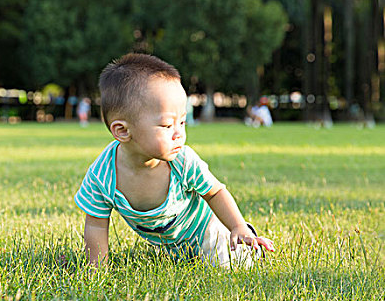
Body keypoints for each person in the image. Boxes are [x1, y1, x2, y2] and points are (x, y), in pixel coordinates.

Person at [75, 53, 274, 268]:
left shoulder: (182, 161)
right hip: (173, 247)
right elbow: (96, 224)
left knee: (229, 264)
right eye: (168, 125)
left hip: (208, 230)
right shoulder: (102, 176)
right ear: (122, 131)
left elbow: (215, 192)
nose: (178, 133)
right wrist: (97, 269)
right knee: (188, 260)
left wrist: (238, 226)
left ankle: (249, 240)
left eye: (182, 122)